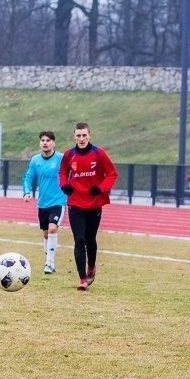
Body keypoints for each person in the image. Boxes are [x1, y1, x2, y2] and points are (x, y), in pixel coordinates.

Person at [58, 123, 118, 291]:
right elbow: (62, 172)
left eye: (84, 135)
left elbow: (112, 173)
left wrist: (100, 188)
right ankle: (82, 279)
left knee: (90, 240)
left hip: (94, 204)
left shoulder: (99, 154)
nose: (82, 139)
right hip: (75, 203)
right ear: (74, 136)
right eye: (78, 135)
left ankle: (91, 266)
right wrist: (64, 186)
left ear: (90, 135)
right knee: (79, 240)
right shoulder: (69, 155)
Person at [22, 131, 66, 274]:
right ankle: (50, 263)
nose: (45, 143)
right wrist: (27, 192)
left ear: (54, 143)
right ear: (40, 143)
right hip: (43, 203)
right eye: (42, 140)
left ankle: (49, 263)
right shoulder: (35, 160)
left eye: (48, 140)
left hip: (58, 201)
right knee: (46, 234)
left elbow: (71, 174)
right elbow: (28, 177)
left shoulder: (61, 158)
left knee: (53, 229)